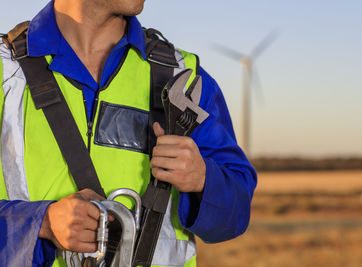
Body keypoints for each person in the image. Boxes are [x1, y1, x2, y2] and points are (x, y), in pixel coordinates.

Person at [0, 0, 257, 266]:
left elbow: (235, 215)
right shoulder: (5, 72)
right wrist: (39, 222)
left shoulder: (186, 77)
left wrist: (204, 180)